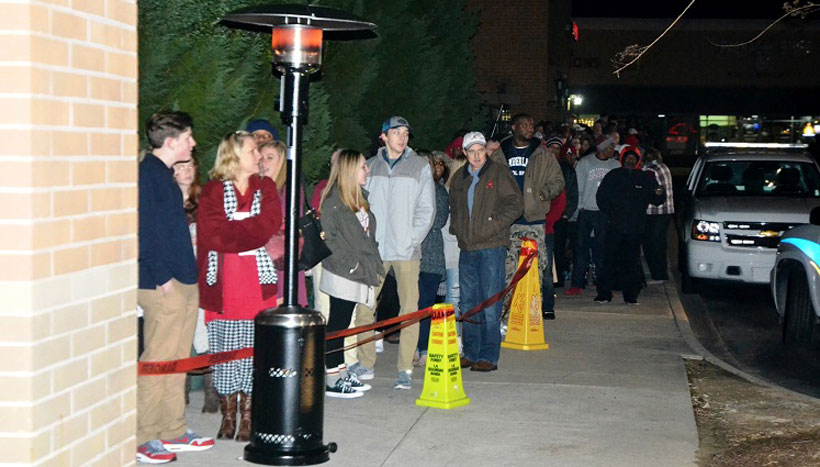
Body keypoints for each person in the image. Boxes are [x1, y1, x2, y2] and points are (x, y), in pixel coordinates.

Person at [137, 111, 214, 464]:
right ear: (170, 142)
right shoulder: (147, 175)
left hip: (182, 279)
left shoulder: (165, 177)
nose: (193, 144)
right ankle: (143, 436)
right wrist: (160, 276)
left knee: (177, 360)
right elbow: (142, 230)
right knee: (157, 359)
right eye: (188, 137)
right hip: (162, 284)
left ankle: (173, 430)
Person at [197, 131, 282, 442]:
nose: (259, 157)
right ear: (233, 156)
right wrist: (249, 228)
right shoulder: (212, 191)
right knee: (224, 351)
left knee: (253, 351)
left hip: (255, 286)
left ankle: (248, 415)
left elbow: (269, 225)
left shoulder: (266, 187)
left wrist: (237, 228)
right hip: (222, 286)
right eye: (252, 151)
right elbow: (213, 235)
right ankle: (227, 414)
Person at [347, 116, 436, 390]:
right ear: (383, 136)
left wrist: (411, 239)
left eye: (406, 133)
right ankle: (366, 363)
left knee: (409, 309)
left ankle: (406, 367)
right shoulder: (370, 167)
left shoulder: (419, 166)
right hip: (375, 250)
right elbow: (359, 205)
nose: (403, 137)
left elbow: (427, 209)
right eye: (396, 132)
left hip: (406, 250)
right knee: (365, 306)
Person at [450, 132, 523, 371]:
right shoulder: (459, 177)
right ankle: (471, 351)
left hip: (491, 247)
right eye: (471, 151)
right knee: (469, 302)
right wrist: (458, 230)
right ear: (465, 153)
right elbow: (455, 207)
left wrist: (493, 225)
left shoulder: (499, 172)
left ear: (486, 151)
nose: (476, 155)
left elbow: (515, 203)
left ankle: (489, 356)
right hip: (467, 249)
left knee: (490, 301)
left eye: (480, 150)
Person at [318, 149, 384, 398]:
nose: (367, 170)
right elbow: (331, 241)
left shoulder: (358, 198)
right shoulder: (334, 201)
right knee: (337, 324)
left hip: (356, 271)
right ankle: (332, 378)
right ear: (348, 171)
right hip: (343, 272)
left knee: (344, 325)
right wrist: (352, 265)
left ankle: (341, 372)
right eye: (362, 166)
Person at [490, 113, 564, 320]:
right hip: (508, 223)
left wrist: (542, 194)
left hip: (534, 221)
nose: (530, 128)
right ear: (513, 128)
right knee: (509, 271)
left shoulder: (543, 154)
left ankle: (531, 318)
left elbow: (558, 181)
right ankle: (507, 316)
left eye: (532, 124)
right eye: (524, 124)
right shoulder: (499, 155)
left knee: (535, 271)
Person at [174, 156, 220, 415]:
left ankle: (211, 393)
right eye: (180, 166)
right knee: (178, 336)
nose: (186, 171)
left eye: (190, 166)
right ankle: (179, 393)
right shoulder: (165, 201)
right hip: (175, 277)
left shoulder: (205, 201)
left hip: (201, 274)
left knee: (204, 334)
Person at [595, 146, 664, 304]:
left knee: (632, 263)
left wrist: (659, 192)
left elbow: (657, 199)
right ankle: (604, 293)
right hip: (615, 227)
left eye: (633, 158)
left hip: (635, 228)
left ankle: (631, 296)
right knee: (609, 260)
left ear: (638, 161)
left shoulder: (645, 177)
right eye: (628, 158)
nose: (630, 160)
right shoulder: (613, 176)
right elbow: (601, 198)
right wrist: (612, 215)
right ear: (622, 159)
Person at [565, 135, 620, 296]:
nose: (613, 150)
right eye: (610, 147)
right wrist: (580, 208)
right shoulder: (585, 163)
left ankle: (603, 286)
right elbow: (578, 187)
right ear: (601, 148)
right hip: (586, 212)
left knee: (602, 251)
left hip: (605, 214)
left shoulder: (615, 165)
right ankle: (577, 284)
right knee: (581, 249)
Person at [259, 140, 308, 306]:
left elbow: (284, 239)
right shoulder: (260, 189)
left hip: (281, 266)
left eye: (270, 157)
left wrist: (281, 289)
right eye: (261, 157)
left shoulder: (288, 191)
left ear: (282, 162)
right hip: (262, 266)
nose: (263, 162)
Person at [415, 151, 450, 367]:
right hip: (409, 255)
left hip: (431, 255)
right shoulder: (407, 190)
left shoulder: (438, 192)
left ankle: (425, 348)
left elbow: (438, 219)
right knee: (410, 305)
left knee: (426, 304)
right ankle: (412, 347)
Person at [642, 147, 675, 284]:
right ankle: (661, 273)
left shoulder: (649, 171)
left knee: (651, 244)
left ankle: (658, 274)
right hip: (667, 210)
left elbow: (648, 191)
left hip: (653, 211)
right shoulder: (663, 167)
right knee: (660, 242)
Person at [554, 145, 578, 288]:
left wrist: (567, 213)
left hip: (562, 215)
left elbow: (572, 194)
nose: (571, 158)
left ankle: (560, 276)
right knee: (558, 248)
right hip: (558, 215)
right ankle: (558, 277)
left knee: (561, 248)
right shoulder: (563, 169)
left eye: (573, 155)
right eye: (568, 155)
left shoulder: (570, 170)